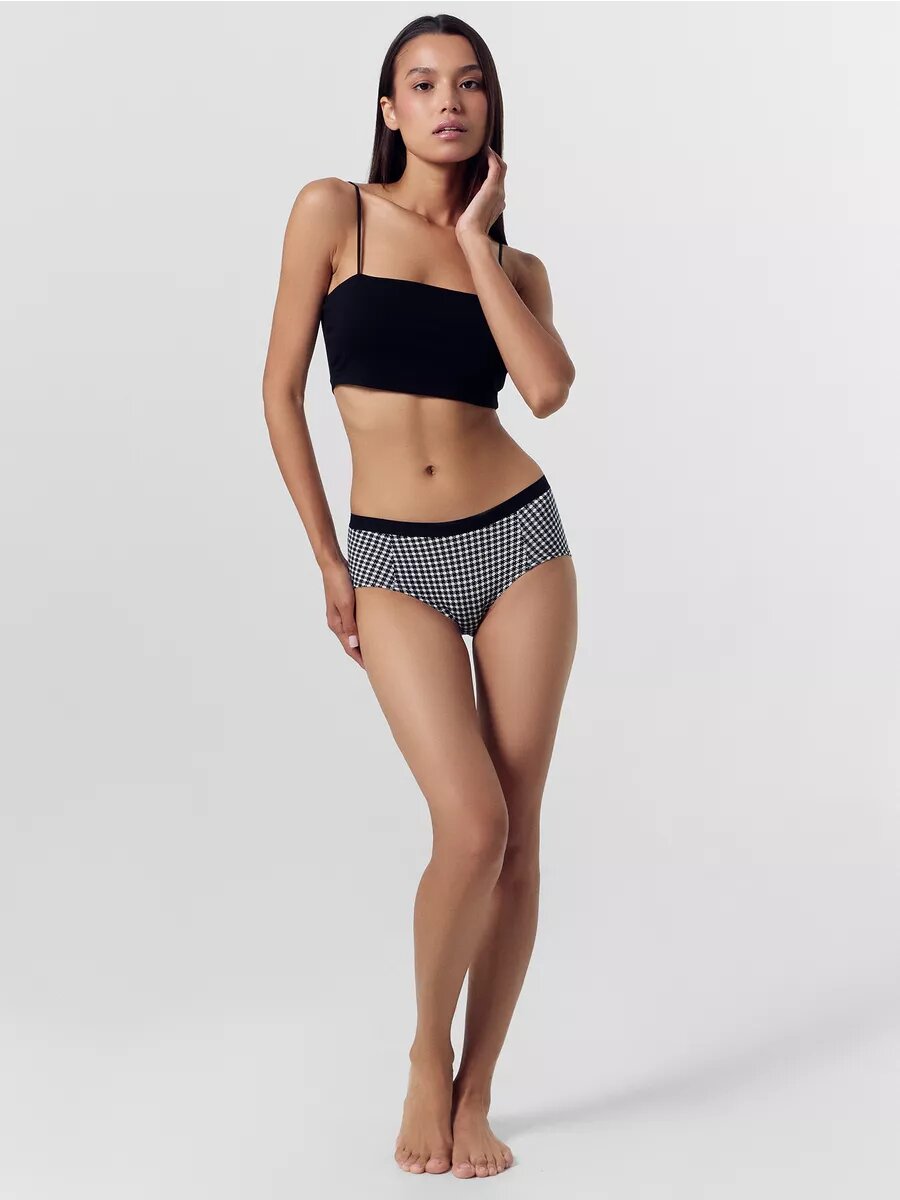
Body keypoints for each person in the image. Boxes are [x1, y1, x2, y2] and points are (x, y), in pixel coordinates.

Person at [262, 13, 578, 1180]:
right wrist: (327, 560)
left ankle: (478, 1088)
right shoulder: (332, 212)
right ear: (390, 110)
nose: (449, 101)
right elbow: (278, 391)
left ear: (490, 109)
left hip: (521, 543)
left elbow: (546, 388)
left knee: (519, 833)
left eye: (470, 84)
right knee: (471, 824)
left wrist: (481, 245)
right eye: (424, 83)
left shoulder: (517, 266)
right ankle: (422, 1057)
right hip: (391, 558)